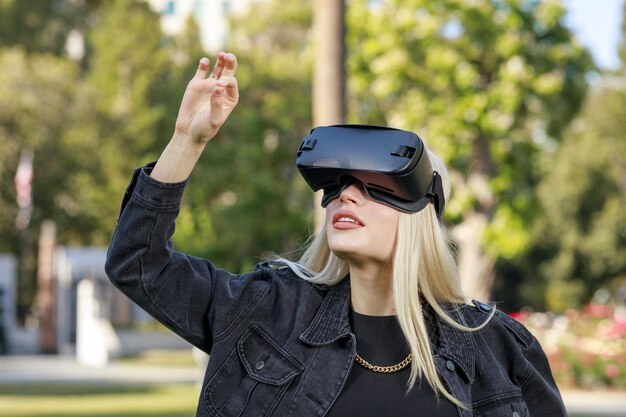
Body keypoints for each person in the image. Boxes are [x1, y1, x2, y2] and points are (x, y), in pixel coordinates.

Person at [105, 52, 567, 417]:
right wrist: (188, 139)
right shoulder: (266, 311)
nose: (346, 195)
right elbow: (138, 264)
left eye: (375, 185)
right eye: (338, 184)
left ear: (420, 211)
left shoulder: (498, 347)